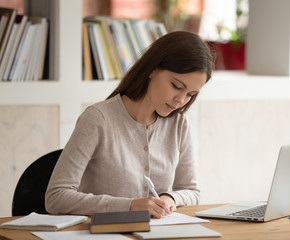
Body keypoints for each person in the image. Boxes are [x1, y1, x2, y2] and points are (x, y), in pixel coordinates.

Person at [45, 31, 214, 219]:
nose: (181, 100)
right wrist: (130, 206)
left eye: (191, 94)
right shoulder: (98, 119)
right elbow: (56, 197)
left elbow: (191, 191)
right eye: (176, 86)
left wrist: (170, 198)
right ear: (152, 69)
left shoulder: (179, 124)